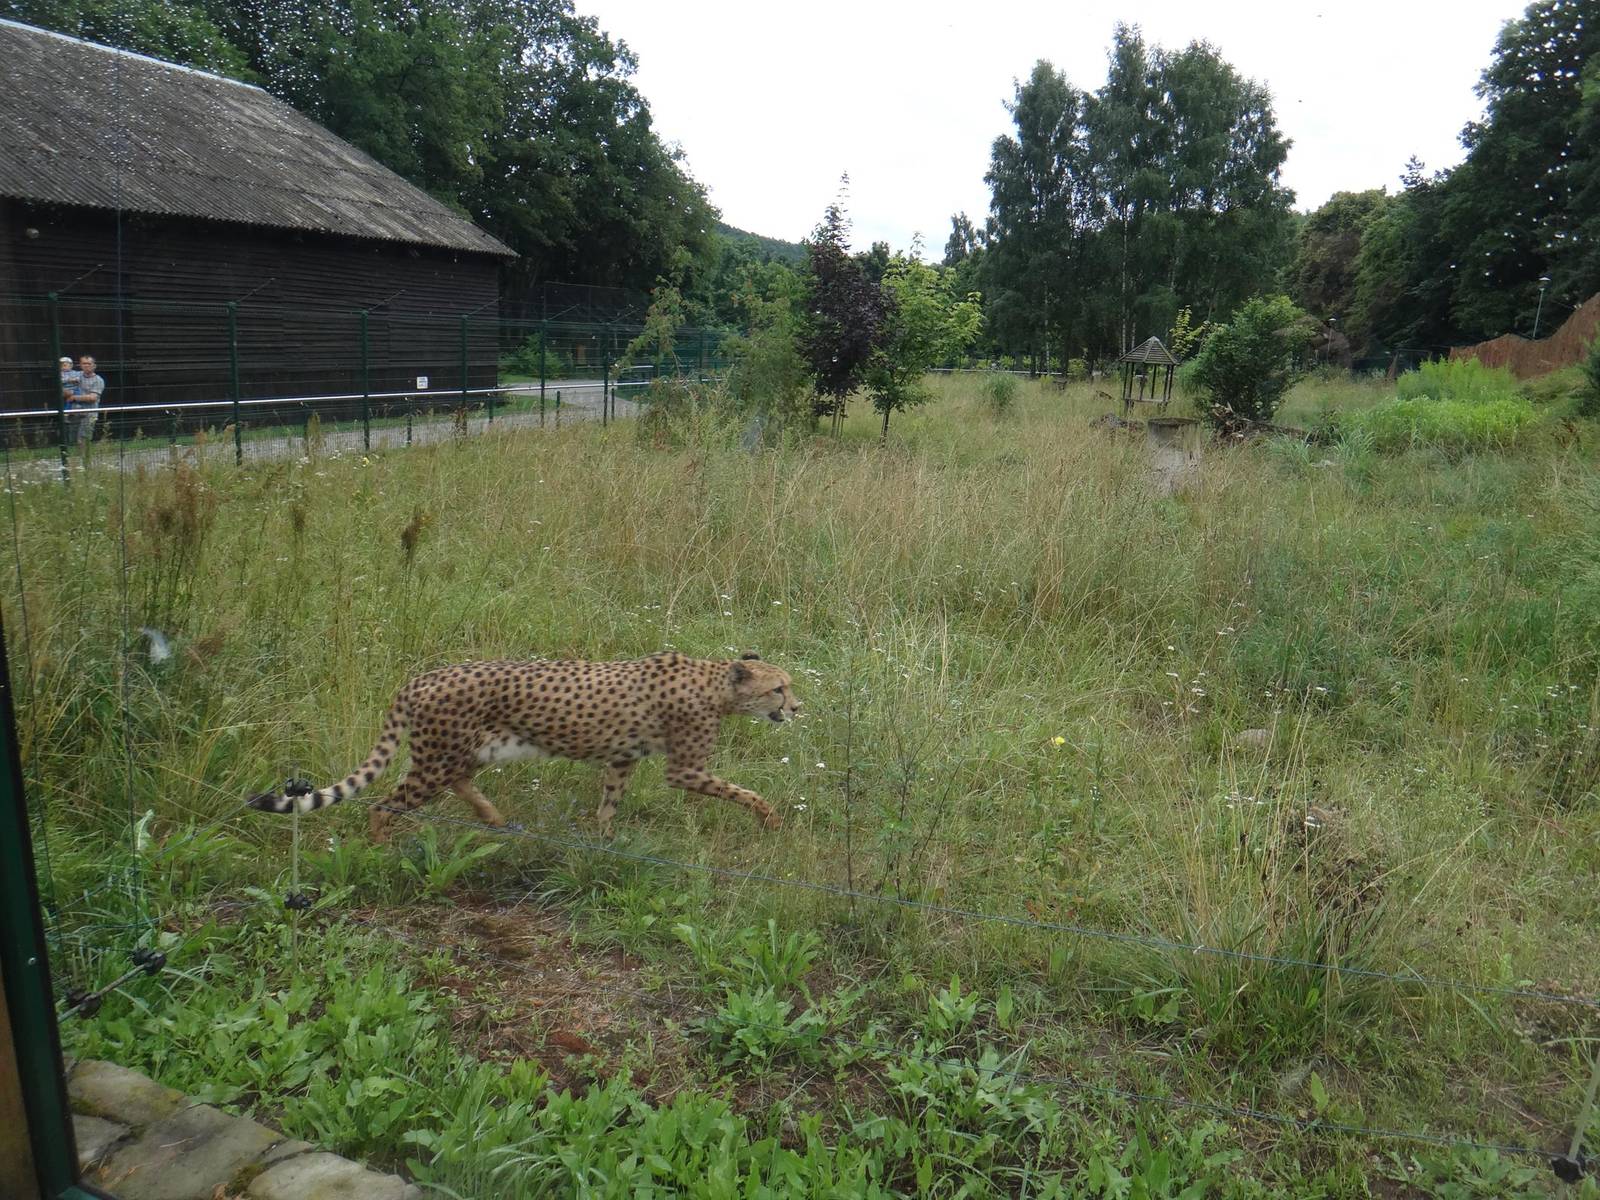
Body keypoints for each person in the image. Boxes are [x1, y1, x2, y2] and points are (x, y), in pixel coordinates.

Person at [68, 355, 104, 444]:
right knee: (72, 440)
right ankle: (76, 457)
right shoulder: (76, 375)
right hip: (74, 412)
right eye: (84, 363)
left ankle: (85, 458)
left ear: (94, 365)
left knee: (83, 439)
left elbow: (92, 398)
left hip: (89, 413)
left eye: (89, 363)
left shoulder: (98, 380)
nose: (86, 365)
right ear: (80, 365)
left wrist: (74, 397)